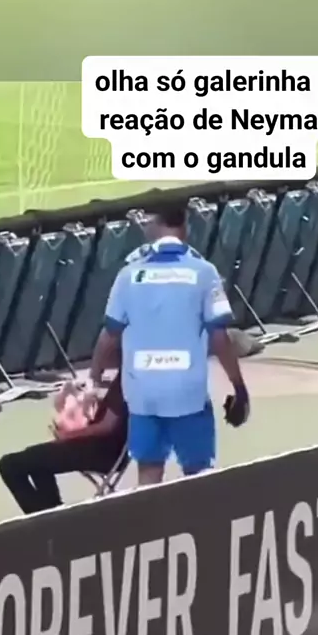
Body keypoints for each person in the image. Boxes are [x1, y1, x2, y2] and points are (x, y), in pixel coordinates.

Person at [87, 203, 250, 486]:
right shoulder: (204, 273)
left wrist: (94, 377)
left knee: (149, 473)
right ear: (185, 227)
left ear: (155, 226)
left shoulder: (128, 275)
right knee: (199, 477)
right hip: (187, 394)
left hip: (142, 394)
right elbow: (219, 337)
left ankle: (149, 516)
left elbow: (109, 335)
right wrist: (238, 387)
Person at [0, 373, 127, 515]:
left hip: (104, 452)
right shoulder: (126, 378)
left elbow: (107, 427)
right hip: (105, 447)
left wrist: (68, 436)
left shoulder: (124, 380)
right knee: (35, 459)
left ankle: (45, 518)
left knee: (9, 464)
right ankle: (51, 512)